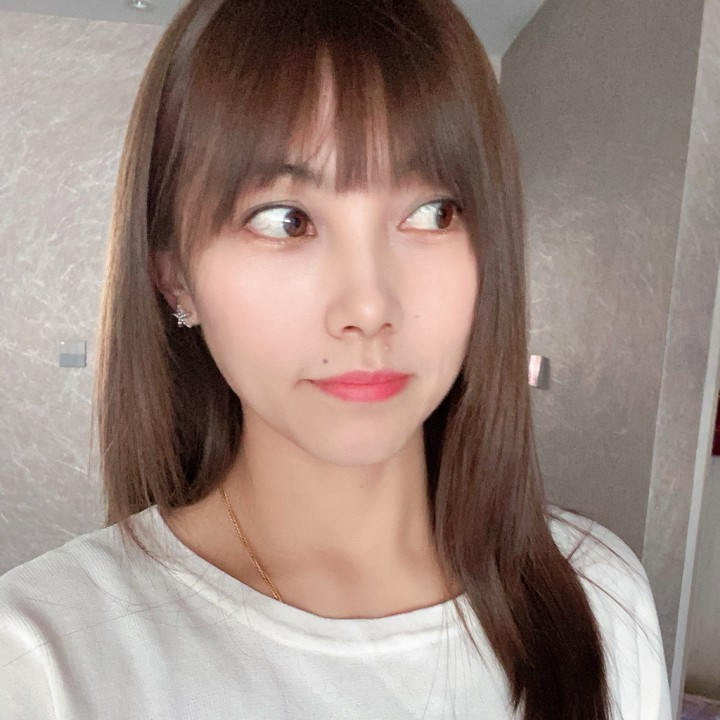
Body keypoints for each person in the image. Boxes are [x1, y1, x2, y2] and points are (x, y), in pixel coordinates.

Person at [0, 0, 672, 718]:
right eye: (285, 221)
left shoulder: (596, 594)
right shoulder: (40, 660)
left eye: (432, 213)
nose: (369, 305)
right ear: (174, 277)